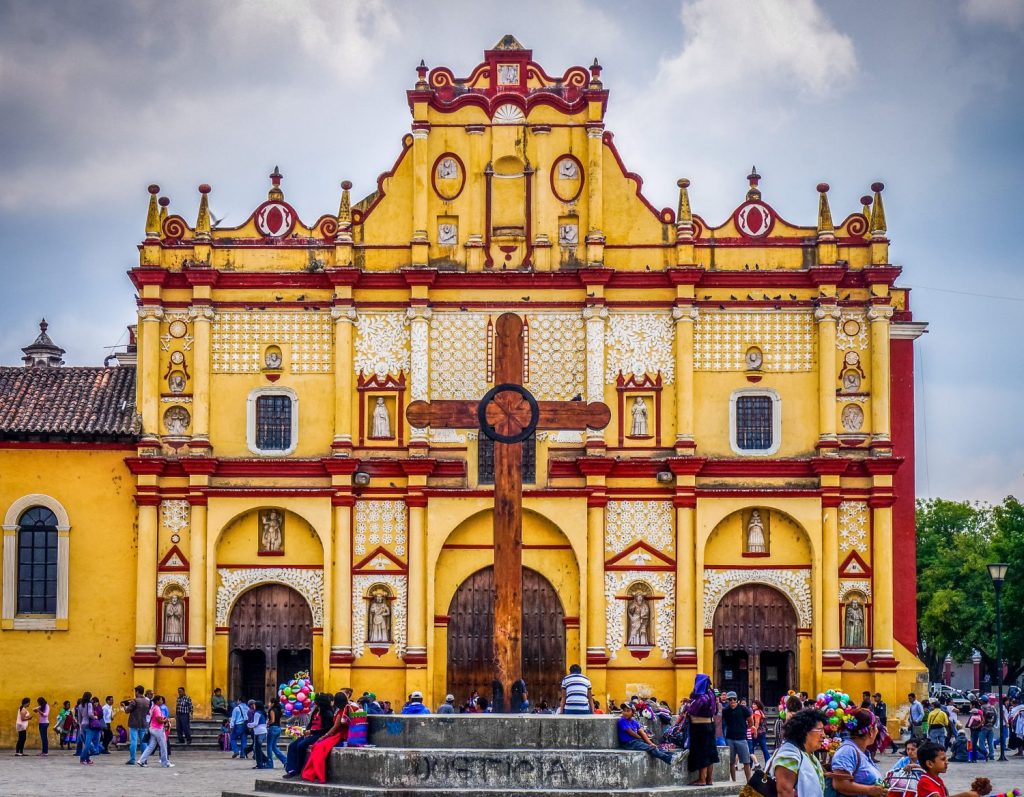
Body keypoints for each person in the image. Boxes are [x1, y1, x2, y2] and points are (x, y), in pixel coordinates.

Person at [771, 709, 828, 797]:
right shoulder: (789, 756)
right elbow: (784, 792)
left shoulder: (807, 753)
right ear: (804, 731)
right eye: (820, 730)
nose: (823, 735)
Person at [830, 708, 886, 797]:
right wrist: (869, 790)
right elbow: (839, 785)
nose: (877, 731)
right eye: (876, 727)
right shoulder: (847, 752)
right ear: (871, 731)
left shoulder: (861, 751)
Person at [302, 692, 352, 783]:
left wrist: (324, 736)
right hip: (337, 734)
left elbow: (334, 728)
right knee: (316, 746)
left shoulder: (341, 712)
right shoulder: (344, 709)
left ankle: (318, 774)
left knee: (318, 747)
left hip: (339, 735)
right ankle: (313, 773)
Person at [284, 693, 334, 778]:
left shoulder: (327, 713)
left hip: (318, 735)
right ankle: (290, 769)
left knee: (301, 745)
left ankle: (298, 768)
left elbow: (326, 728)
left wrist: (311, 732)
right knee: (292, 745)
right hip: (309, 733)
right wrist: (307, 730)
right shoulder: (315, 711)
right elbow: (310, 723)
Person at [685, 674, 720, 786]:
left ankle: (702, 779)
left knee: (702, 753)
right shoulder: (711, 694)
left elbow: (692, 710)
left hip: (700, 727)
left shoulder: (702, 697)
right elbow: (715, 711)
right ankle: (709, 779)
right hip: (710, 725)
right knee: (710, 752)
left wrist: (687, 705)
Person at [916, 741, 981, 797]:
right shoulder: (924, 782)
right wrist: (966, 795)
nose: (947, 762)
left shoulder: (937, 779)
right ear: (930, 764)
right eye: (943, 759)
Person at [722, 691, 752, 782]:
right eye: (730, 699)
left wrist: (747, 728)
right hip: (730, 737)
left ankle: (749, 781)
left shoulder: (743, 709)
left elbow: (750, 720)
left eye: (734, 699)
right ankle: (734, 781)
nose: (732, 701)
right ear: (728, 700)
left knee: (746, 761)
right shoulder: (725, 711)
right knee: (731, 761)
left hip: (741, 738)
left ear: (737, 699)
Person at [138, 695, 172, 768]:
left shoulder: (153, 708)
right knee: (163, 746)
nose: (162, 701)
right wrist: (166, 720)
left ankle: (141, 760)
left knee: (151, 746)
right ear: (157, 701)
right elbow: (160, 721)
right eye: (160, 700)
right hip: (158, 729)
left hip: (152, 728)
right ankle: (165, 763)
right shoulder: (157, 709)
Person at [124, 685, 151, 766]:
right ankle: (144, 759)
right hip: (143, 723)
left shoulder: (134, 701)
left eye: (135, 692)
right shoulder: (147, 701)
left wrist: (125, 707)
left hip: (134, 723)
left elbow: (127, 711)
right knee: (144, 742)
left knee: (133, 741)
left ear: (137, 692)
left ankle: (132, 759)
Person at [77, 691, 99, 765]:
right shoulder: (89, 704)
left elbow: (79, 718)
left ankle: (87, 759)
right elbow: (90, 714)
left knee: (86, 743)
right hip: (89, 725)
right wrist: (95, 717)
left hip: (83, 725)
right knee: (88, 744)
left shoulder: (80, 706)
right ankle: (82, 758)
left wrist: (80, 726)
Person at [266, 697, 287, 769]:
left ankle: (270, 763)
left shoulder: (272, 710)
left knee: (269, 746)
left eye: (269, 702)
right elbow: (279, 720)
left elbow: (272, 720)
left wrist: (267, 723)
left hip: (273, 728)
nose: (268, 704)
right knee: (274, 747)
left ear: (272, 703)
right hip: (278, 728)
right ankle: (285, 760)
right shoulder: (278, 710)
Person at [248, 700, 269, 769]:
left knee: (257, 749)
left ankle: (260, 763)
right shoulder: (263, 713)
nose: (253, 706)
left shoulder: (257, 713)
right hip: (263, 731)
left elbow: (255, 723)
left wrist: (248, 724)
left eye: (254, 704)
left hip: (258, 731)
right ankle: (263, 761)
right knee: (257, 748)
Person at [749, 699, 770, 765]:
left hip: (757, 733)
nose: (753, 705)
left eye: (755, 704)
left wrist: (755, 732)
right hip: (762, 732)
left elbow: (757, 723)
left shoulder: (757, 712)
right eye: (753, 704)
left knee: (751, 748)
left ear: (758, 705)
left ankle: (751, 764)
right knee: (764, 749)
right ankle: (768, 763)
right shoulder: (761, 711)